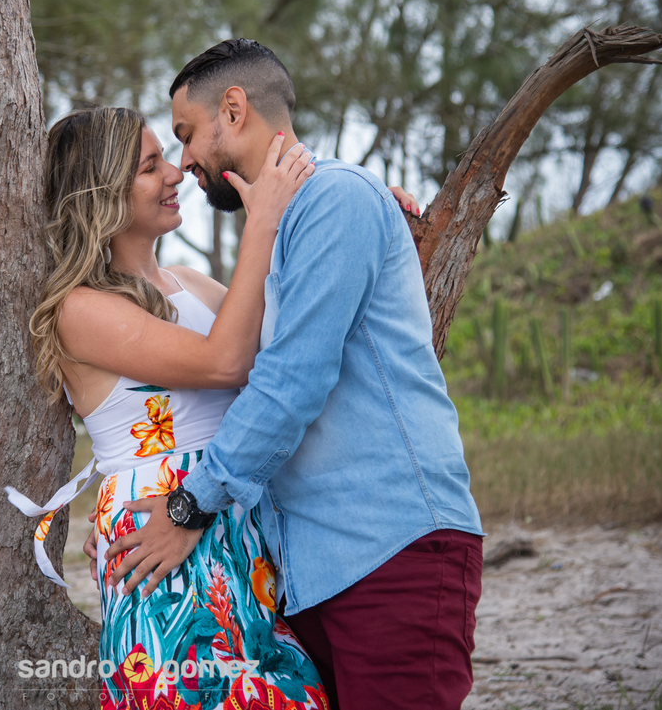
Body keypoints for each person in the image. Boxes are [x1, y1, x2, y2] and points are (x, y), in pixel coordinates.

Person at [102, 39, 485, 710]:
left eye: (186, 135)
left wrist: (188, 506)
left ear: (234, 109)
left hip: (389, 550)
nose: (184, 162)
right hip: (310, 575)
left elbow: (289, 384)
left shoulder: (335, 199)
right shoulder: (283, 231)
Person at [6, 105, 418, 710]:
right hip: (159, 530)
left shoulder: (190, 284)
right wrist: (262, 223)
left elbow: (290, 344)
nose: (175, 174)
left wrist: (364, 215)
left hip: (233, 521)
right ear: (103, 193)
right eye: (150, 166)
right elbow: (224, 362)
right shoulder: (79, 309)